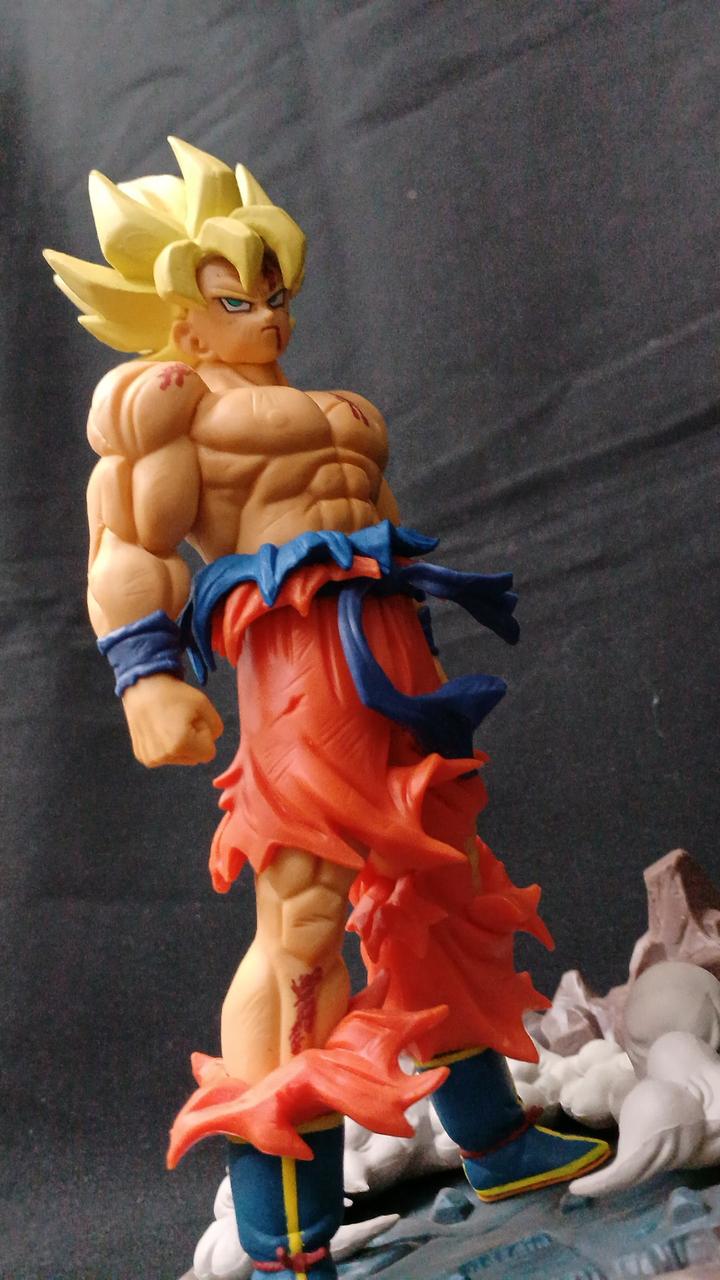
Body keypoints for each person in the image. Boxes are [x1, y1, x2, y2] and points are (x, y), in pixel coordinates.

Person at [45, 138, 608, 1280]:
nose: (269, 312)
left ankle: (493, 1139)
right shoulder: (166, 399)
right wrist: (147, 673)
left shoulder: (330, 405)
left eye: (276, 287)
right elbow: (129, 540)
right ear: (180, 316)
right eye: (235, 295)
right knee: (302, 917)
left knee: (443, 888)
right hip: (297, 658)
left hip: (392, 648)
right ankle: (282, 1221)